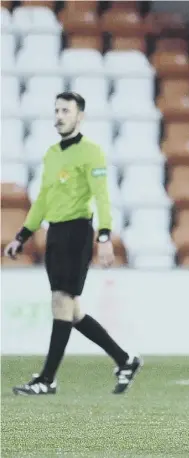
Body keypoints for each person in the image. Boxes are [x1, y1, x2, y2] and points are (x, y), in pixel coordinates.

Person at [4, 92, 143, 396]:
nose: (59, 115)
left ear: (80, 115)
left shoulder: (91, 152)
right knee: (72, 309)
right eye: (56, 110)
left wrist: (104, 235)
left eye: (65, 110)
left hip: (78, 233)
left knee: (61, 303)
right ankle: (125, 360)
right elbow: (43, 197)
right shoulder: (52, 153)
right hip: (54, 233)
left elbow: (102, 195)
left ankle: (47, 378)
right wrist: (23, 235)